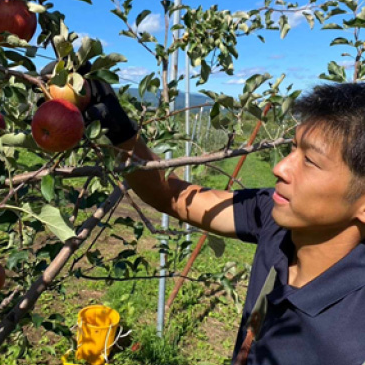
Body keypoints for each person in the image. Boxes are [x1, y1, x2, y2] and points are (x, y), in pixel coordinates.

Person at [84, 80, 365, 365]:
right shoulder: (274, 217)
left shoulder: (355, 336)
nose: (279, 167)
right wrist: (119, 129)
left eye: (310, 161)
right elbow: (173, 195)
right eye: (292, 148)